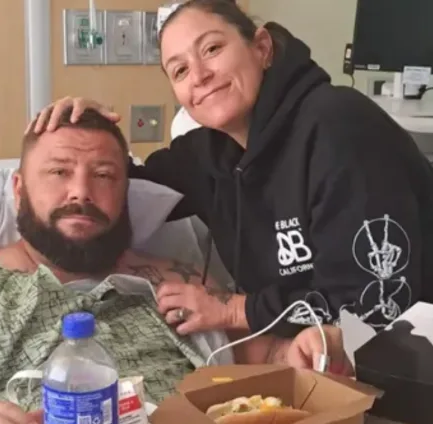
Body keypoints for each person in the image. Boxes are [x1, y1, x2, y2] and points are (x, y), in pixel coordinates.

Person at [0, 107, 348, 424]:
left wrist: (309, 351)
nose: (81, 192)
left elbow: (270, 358)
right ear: (19, 190)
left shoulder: (176, 280)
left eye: (104, 175)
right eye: (59, 171)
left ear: (125, 193)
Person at [32, 0, 433, 339]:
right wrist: (84, 130)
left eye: (211, 49)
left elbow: (373, 304)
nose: (200, 76)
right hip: (320, 355)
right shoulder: (205, 155)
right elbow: (115, 184)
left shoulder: (337, 125)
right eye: (180, 70)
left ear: (262, 48)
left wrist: (232, 310)